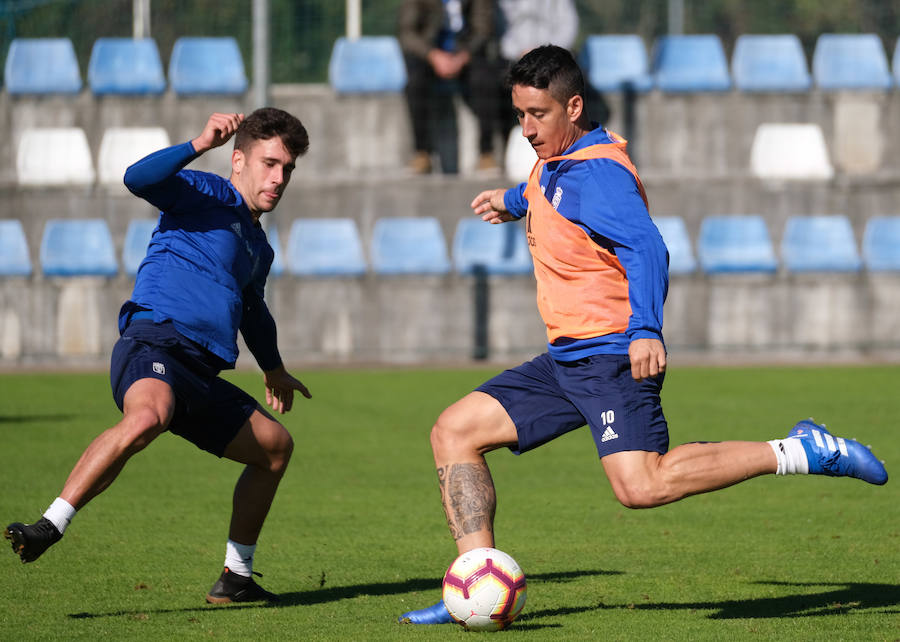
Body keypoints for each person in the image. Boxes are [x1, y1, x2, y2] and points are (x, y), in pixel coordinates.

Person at [398, 45, 888, 625]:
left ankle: (801, 450)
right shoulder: (558, 160)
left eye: (538, 114)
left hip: (610, 356)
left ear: (573, 107)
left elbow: (648, 246)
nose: (527, 128)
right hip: (563, 361)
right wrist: (510, 201)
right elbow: (546, 192)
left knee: (642, 486)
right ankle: (472, 584)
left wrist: (646, 329)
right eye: (520, 114)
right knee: (454, 431)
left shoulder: (599, 173)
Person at [5, 108, 312, 604]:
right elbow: (137, 177)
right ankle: (49, 525)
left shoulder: (259, 245)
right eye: (269, 163)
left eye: (287, 169)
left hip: (200, 373)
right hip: (156, 344)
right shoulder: (204, 193)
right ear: (238, 161)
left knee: (274, 448)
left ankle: (236, 577)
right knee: (150, 415)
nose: (278, 179)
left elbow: (254, 312)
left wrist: (273, 367)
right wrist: (197, 143)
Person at [398, 0, 501, 174]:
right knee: (414, 83)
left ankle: (486, 153)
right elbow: (407, 33)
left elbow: (483, 29)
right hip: (430, 54)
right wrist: (432, 55)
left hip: (467, 53)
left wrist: (462, 57)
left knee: (485, 80)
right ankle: (422, 153)